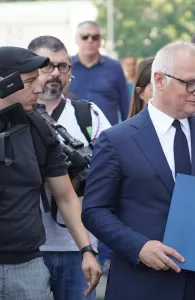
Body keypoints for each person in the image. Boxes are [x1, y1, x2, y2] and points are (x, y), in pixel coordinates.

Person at [81, 41, 195, 300]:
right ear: (159, 80)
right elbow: (94, 211)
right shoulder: (118, 139)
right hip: (143, 284)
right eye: (190, 83)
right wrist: (139, 247)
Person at [0, 46, 101, 299]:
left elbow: (66, 196)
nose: (38, 88)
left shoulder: (38, 128)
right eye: (29, 81)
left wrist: (87, 249)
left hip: (27, 268)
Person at [27, 35, 109, 300]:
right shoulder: (14, 118)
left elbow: (110, 171)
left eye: (63, 66)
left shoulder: (89, 115)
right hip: (28, 251)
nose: (55, 74)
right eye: (47, 66)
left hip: (80, 246)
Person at [69, 21, 130, 125]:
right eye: (84, 36)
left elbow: (126, 105)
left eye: (95, 37)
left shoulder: (114, 67)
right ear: (76, 39)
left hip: (108, 135)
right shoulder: (65, 67)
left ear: (100, 40)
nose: (90, 40)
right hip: (73, 134)